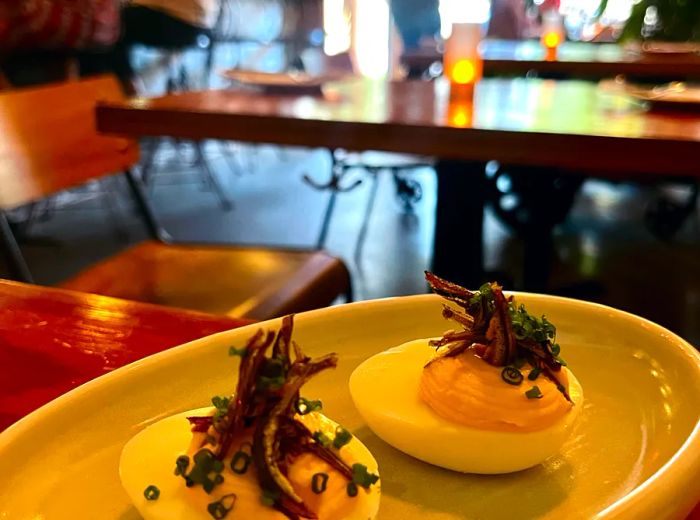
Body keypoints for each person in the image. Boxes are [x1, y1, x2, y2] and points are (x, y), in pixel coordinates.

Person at [81, 0, 220, 93]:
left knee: (108, 28)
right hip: (201, 23)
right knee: (109, 26)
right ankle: (123, 88)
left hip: (183, 18)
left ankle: (126, 90)